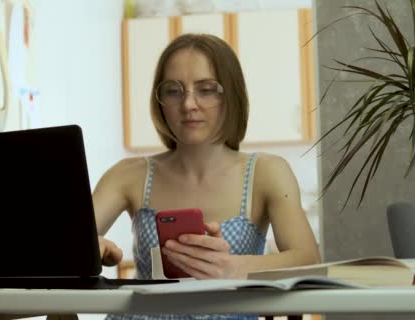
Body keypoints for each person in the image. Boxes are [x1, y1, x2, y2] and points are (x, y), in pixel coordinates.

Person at [94, 33, 321, 320]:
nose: (188, 104)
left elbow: (309, 260)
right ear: (160, 100)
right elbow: (58, 251)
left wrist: (235, 268)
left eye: (206, 89)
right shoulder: (128, 174)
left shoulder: (267, 172)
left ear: (231, 95)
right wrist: (84, 251)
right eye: (173, 91)